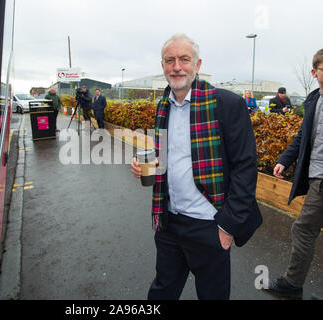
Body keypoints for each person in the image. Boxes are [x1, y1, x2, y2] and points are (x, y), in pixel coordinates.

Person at [130, 33, 262, 300]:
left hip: (210, 226)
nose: (176, 66)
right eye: (170, 60)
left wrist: (227, 227)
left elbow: (246, 168)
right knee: (161, 292)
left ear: (198, 65)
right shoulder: (163, 107)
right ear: (163, 66)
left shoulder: (227, 104)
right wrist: (151, 166)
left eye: (184, 59)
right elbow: (171, 158)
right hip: (169, 223)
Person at [264, 49, 323, 300]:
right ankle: (292, 284)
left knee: (303, 229)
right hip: (316, 175)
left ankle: (292, 284)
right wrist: (284, 160)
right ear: (314, 72)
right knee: (305, 229)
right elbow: (302, 137)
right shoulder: (314, 100)